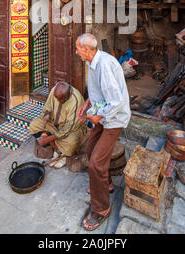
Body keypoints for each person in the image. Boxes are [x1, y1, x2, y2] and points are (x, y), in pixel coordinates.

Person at [76, 33, 131, 231]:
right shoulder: (92, 62)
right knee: (91, 150)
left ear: (88, 50)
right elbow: (98, 91)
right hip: (102, 113)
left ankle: (101, 209)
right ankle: (106, 184)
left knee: (95, 164)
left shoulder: (105, 65)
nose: (76, 52)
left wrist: (98, 117)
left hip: (113, 119)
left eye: (78, 49)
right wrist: (87, 104)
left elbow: (115, 101)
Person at [29, 81, 86, 168]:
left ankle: (61, 152)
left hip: (71, 129)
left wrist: (48, 139)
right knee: (34, 125)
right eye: (57, 99)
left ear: (67, 96)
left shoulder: (76, 100)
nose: (58, 101)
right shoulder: (54, 90)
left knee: (71, 142)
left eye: (60, 100)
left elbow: (69, 127)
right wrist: (47, 113)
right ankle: (55, 147)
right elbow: (48, 105)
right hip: (53, 122)